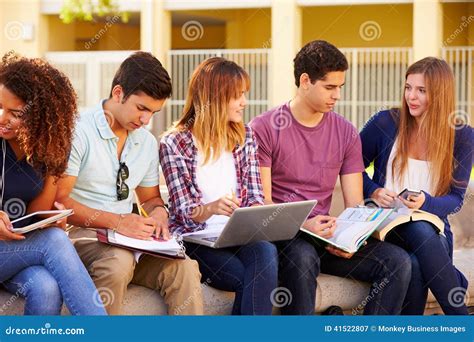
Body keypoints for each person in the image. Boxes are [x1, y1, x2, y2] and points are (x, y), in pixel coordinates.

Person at [250, 40, 412, 315]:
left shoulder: (346, 132)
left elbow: (354, 205)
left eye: (340, 87)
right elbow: (263, 204)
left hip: (327, 238)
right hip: (285, 236)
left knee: (398, 262)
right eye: (329, 87)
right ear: (304, 81)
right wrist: (306, 224)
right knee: (303, 256)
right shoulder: (265, 127)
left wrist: (352, 238)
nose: (337, 95)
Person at [55, 51, 203, 315]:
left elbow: (149, 199)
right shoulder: (78, 131)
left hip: (130, 240)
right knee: (117, 263)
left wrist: (158, 215)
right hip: (84, 236)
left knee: (185, 269)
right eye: (142, 108)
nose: (146, 120)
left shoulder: (145, 142)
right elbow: (61, 202)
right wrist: (119, 222)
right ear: (118, 93)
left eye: (153, 112)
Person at [159, 57, 278, 315]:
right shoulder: (174, 144)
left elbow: (256, 197)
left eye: (244, 94)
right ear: (214, 97)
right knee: (245, 277)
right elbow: (182, 212)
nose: (244, 103)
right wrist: (211, 208)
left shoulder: (245, 138)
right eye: (237, 96)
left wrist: (255, 215)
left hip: (238, 236)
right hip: (196, 240)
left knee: (266, 251)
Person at [360, 57, 472, 315]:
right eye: (408, 87)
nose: (411, 96)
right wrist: (373, 191)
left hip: (433, 232)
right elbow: (351, 167)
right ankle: (462, 321)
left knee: (418, 252)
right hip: (384, 225)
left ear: (440, 94)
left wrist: (425, 202)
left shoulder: (463, 137)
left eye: (421, 90)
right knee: (421, 234)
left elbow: (455, 199)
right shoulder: (385, 123)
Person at [0, 52, 106, 315]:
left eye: (14, 113)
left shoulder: (48, 148)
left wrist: (49, 218)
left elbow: (35, 213)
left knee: (46, 287)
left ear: (39, 115)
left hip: (11, 251)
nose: (2, 117)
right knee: (55, 241)